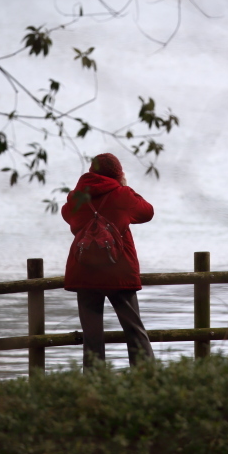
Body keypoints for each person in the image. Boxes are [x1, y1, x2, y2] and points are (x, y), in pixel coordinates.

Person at [62, 153, 155, 370]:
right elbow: (147, 212)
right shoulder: (122, 194)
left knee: (91, 336)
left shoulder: (77, 197)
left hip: (84, 272)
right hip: (118, 271)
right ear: (117, 173)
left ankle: (94, 386)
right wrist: (125, 186)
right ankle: (147, 380)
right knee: (134, 330)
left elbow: (68, 216)